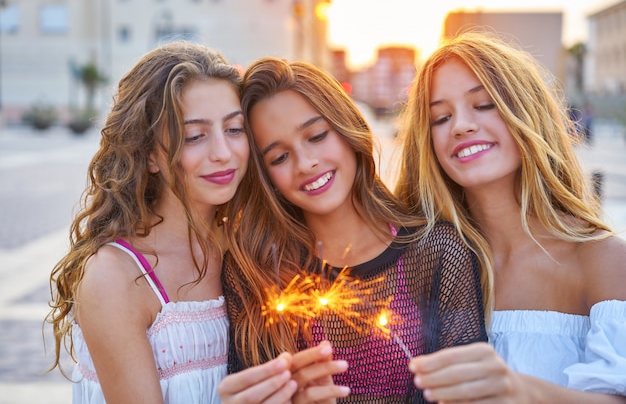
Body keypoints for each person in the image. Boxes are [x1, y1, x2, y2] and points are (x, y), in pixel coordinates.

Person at [218, 57, 487, 403]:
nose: (306, 163)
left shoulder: (435, 251)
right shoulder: (252, 274)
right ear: (265, 176)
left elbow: (470, 393)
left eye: (316, 136)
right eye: (279, 158)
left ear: (346, 127)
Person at [395, 32, 626, 403]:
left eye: (484, 104)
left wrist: (520, 390)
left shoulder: (605, 260)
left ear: (525, 110)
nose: (461, 126)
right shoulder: (418, 264)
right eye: (441, 117)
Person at [46, 41, 249, 403]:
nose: (223, 153)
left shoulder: (246, 245)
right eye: (194, 136)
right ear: (150, 155)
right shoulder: (115, 277)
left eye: (234, 129)